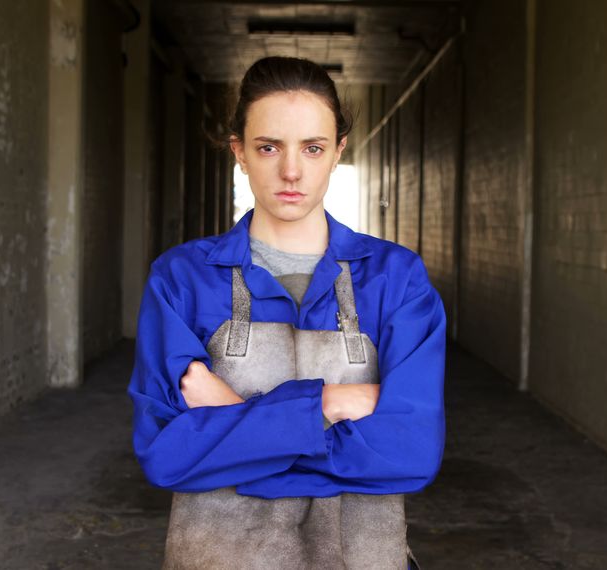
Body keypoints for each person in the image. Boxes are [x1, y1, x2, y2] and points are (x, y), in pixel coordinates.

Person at [128, 55, 447, 570]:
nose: (291, 171)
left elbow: (409, 453)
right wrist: (329, 404)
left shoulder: (396, 279)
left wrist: (232, 428)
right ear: (240, 152)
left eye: (313, 148)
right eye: (269, 147)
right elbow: (165, 455)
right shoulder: (182, 279)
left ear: (338, 151)